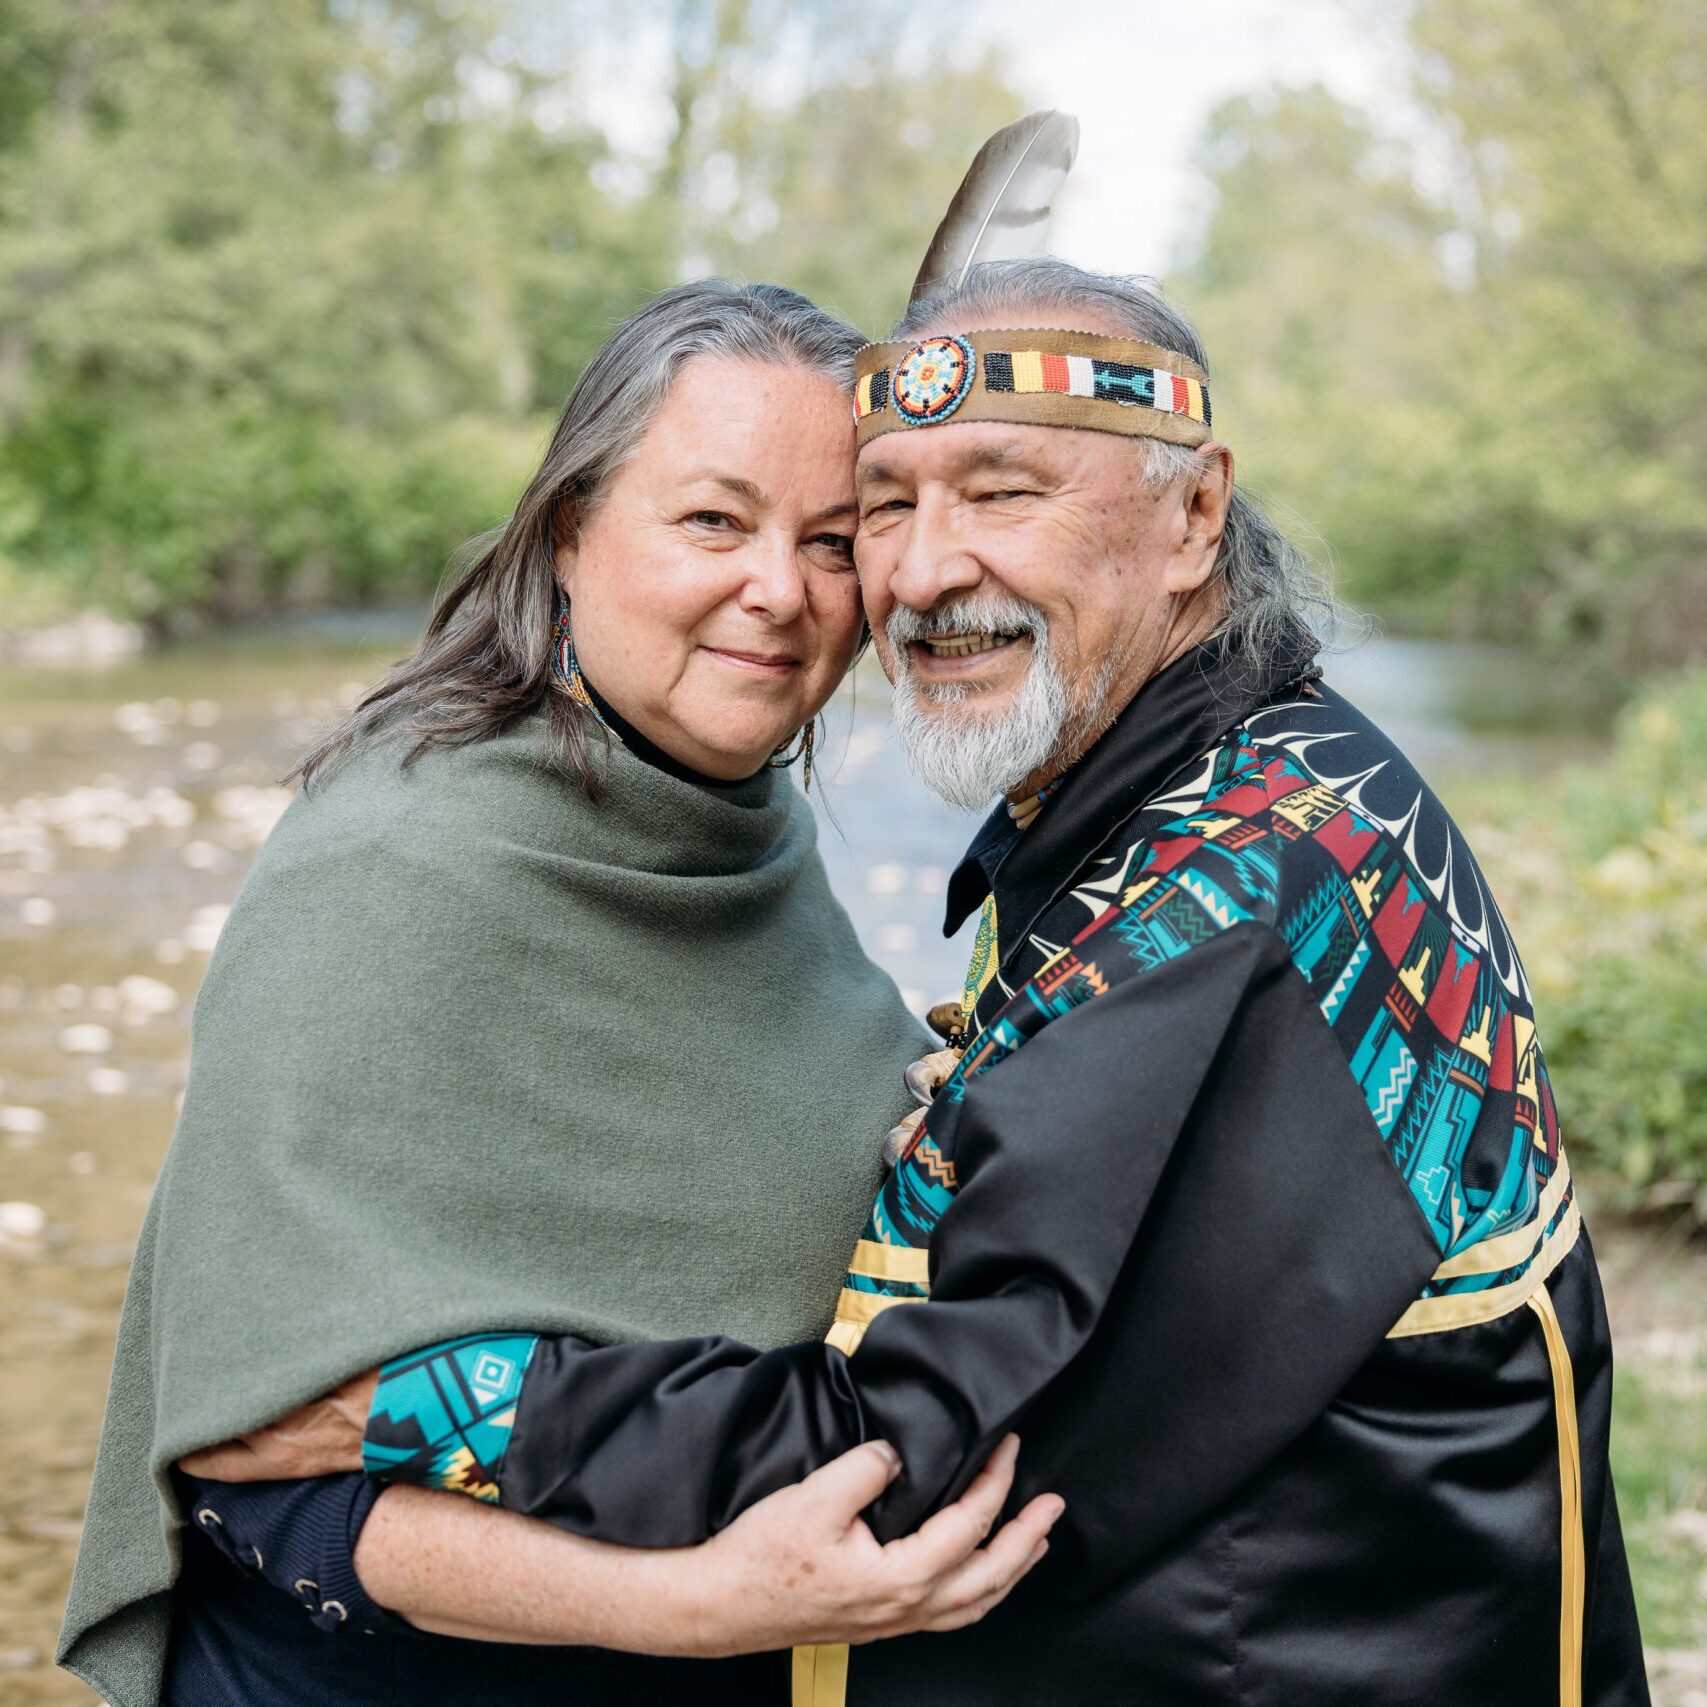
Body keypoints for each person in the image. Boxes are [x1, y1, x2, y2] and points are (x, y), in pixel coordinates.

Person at [208, 257, 1651, 1707]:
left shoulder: (1240, 895)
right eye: (888, 507)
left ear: (1193, 516)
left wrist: (450, 1405)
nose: (920, 570)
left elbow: (915, 1461)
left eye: (1004, 492)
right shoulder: (1199, 791)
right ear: (569, 536)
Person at [55, 279, 1061, 1707]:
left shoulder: (737, 833)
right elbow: (251, 1459)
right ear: (573, 529)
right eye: (713, 521)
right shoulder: (394, 868)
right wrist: (692, 1606)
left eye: (833, 542)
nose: (778, 589)